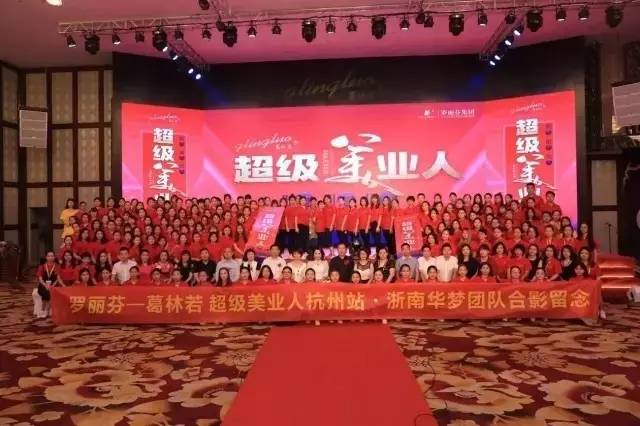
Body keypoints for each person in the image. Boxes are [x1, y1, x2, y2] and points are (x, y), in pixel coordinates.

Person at [34, 251, 59, 318]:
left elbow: (58, 278)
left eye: (52, 256)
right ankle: (43, 310)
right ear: (46, 257)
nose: (50, 257)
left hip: (54, 284)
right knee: (45, 292)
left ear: (54, 257)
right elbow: (40, 278)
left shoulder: (57, 266)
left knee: (51, 292)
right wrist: (45, 285)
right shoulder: (42, 266)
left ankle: (45, 310)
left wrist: (52, 286)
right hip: (43, 284)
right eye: (49, 256)